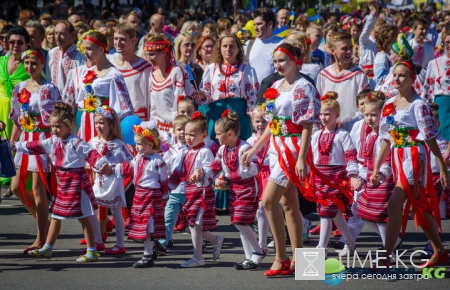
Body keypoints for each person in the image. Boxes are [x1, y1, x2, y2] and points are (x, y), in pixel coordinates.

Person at [241, 43, 321, 276]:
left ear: (296, 60)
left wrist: (302, 157)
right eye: (275, 61)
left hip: (294, 149)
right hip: (277, 148)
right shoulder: (275, 86)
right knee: (289, 205)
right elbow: (273, 125)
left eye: (283, 60)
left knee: (268, 202)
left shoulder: (304, 86)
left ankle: (281, 257)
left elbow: (307, 125)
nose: (278, 65)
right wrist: (255, 149)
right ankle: (302, 261)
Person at [372, 60, 449, 268]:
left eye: (402, 75)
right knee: (417, 207)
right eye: (395, 75)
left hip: (414, 156)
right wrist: (377, 167)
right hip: (398, 156)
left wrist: (441, 165)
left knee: (394, 204)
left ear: (412, 79)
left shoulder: (419, 105)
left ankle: (386, 256)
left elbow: (429, 136)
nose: (397, 79)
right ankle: (440, 251)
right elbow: (387, 139)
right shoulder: (389, 104)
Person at [13, 102, 111, 262]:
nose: (54, 130)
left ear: (68, 125)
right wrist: (15, 145)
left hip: (78, 185)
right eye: (52, 126)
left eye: (57, 126)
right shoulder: (53, 141)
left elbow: (91, 154)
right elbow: (36, 146)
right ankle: (47, 248)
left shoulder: (76, 142)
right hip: (64, 185)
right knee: (57, 216)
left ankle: (92, 250)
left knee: (84, 217)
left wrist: (102, 165)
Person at [8, 48, 61, 253]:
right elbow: (16, 121)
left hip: (41, 141)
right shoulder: (19, 87)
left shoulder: (49, 88)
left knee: (39, 191)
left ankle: (40, 238)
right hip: (23, 141)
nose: (30, 67)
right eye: (27, 63)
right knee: (15, 188)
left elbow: (55, 120)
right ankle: (45, 225)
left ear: (42, 64)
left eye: (34, 63)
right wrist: (11, 147)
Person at [204, 110, 265, 270]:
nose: (216, 137)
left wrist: (247, 165)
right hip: (234, 188)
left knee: (239, 221)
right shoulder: (222, 150)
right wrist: (204, 174)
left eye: (218, 134)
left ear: (230, 134)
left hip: (247, 186)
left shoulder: (245, 147)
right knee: (240, 223)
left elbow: (256, 168)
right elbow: (216, 166)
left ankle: (258, 251)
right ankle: (249, 256)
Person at [168, 112, 224, 267]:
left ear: (204, 135)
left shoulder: (205, 151)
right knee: (194, 224)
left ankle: (198, 257)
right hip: (189, 192)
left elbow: (212, 169)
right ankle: (214, 240)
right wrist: (167, 188)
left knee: (194, 224)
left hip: (201, 192)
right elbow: (178, 171)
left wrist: (200, 173)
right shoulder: (186, 151)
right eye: (186, 134)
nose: (188, 138)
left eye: (192, 134)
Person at [114, 121, 169, 268]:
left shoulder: (158, 161)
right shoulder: (138, 157)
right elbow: (129, 169)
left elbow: (164, 180)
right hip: (139, 195)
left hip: (151, 196)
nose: (135, 146)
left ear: (150, 144)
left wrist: (164, 197)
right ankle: (152, 249)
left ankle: (148, 256)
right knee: (144, 226)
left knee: (148, 227)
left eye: (138, 143)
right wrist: (113, 168)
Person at [312, 91, 359, 257]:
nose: (324, 117)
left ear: (337, 114)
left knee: (326, 212)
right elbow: (310, 156)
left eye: (328, 114)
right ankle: (349, 243)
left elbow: (351, 156)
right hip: (320, 177)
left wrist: (353, 175)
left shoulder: (343, 135)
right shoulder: (316, 135)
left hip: (336, 177)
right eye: (321, 114)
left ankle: (321, 248)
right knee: (335, 213)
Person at [357, 92, 401, 253]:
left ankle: (388, 249)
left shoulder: (385, 138)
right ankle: (393, 240)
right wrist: (362, 177)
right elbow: (365, 159)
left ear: (382, 115)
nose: (369, 118)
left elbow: (388, 162)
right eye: (366, 115)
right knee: (361, 211)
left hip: (384, 181)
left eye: (373, 115)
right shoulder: (369, 136)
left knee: (381, 218)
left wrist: (380, 175)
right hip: (371, 179)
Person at [194, 34, 258, 143]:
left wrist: (252, 117)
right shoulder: (211, 69)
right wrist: (202, 95)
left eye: (232, 46)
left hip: (239, 114)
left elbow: (252, 96)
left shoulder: (247, 70)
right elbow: (207, 92)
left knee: (239, 146)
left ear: (238, 49)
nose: (228, 49)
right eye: (225, 46)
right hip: (216, 113)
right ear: (220, 48)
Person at [88, 106, 134, 255]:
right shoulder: (93, 142)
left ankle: (120, 244)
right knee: (91, 211)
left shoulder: (119, 145)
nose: (98, 126)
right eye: (96, 123)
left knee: (115, 212)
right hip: (98, 182)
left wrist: (115, 168)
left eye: (102, 123)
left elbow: (132, 163)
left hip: (113, 183)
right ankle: (98, 241)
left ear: (111, 124)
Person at [74, 31, 134, 142]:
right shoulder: (89, 71)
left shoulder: (114, 74)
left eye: (89, 49)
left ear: (101, 49)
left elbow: (123, 105)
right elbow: (82, 99)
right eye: (84, 49)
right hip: (86, 121)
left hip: (102, 124)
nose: (85, 52)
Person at [144, 33, 193, 138]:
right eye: (147, 54)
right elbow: (153, 107)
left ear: (163, 53)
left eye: (152, 54)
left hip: (177, 130)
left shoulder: (176, 72)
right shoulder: (152, 74)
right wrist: (153, 130)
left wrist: (177, 129)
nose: (149, 58)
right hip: (160, 130)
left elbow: (181, 102)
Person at [316, 32, 369, 122]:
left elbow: (365, 107)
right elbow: (317, 104)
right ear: (333, 51)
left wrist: (348, 124)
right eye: (344, 49)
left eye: (350, 48)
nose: (349, 52)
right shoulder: (324, 75)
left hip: (352, 130)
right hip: (327, 129)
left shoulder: (359, 75)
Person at [159, 114, 190, 249]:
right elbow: (165, 166)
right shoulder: (171, 149)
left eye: (185, 129)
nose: (182, 133)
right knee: (169, 216)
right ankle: (165, 241)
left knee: (193, 220)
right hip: (175, 190)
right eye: (179, 129)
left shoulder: (195, 148)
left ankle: (202, 241)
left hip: (191, 191)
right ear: (174, 132)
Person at [112, 23, 152, 121]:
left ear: (133, 41)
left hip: (138, 119)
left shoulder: (145, 67)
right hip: (114, 120)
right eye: (115, 39)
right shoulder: (110, 66)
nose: (118, 42)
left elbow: (151, 98)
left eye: (122, 39)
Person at [246, 106, 271, 253]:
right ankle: (262, 244)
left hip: (270, 174)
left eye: (264, 121)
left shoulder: (273, 137)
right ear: (252, 123)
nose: (261, 124)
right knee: (260, 210)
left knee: (280, 207)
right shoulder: (249, 141)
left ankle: (303, 224)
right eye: (257, 121)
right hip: (256, 176)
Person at [0, 26, 30, 143]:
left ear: (27, 45)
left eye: (20, 42)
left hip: (18, 113)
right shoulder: (1, 61)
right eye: (12, 42)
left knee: (14, 148)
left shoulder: (30, 65)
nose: (15, 45)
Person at [421, 28, 450, 140]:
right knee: (443, 139)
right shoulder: (434, 63)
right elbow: (428, 88)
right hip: (441, 106)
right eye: (447, 42)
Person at [378, 33, 425, 99]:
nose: (390, 57)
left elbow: (420, 92)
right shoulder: (393, 69)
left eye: (391, 54)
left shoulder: (412, 70)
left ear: (399, 56)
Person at [244, 8, 283, 84]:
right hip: (251, 93)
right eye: (254, 24)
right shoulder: (248, 44)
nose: (255, 28)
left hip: (272, 92)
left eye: (259, 24)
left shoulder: (281, 43)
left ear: (270, 24)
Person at [45, 21, 86, 92]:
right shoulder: (51, 53)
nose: (57, 37)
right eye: (56, 33)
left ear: (72, 35)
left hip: (73, 100)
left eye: (62, 34)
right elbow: (48, 78)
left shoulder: (81, 55)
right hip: (54, 99)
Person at [359, 1, 385, 82]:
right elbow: (367, 29)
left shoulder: (383, 42)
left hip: (379, 76)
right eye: (379, 25)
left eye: (382, 26)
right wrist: (374, 10)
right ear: (373, 26)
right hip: (364, 77)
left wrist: (374, 69)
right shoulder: (365, 40)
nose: (381, 28)